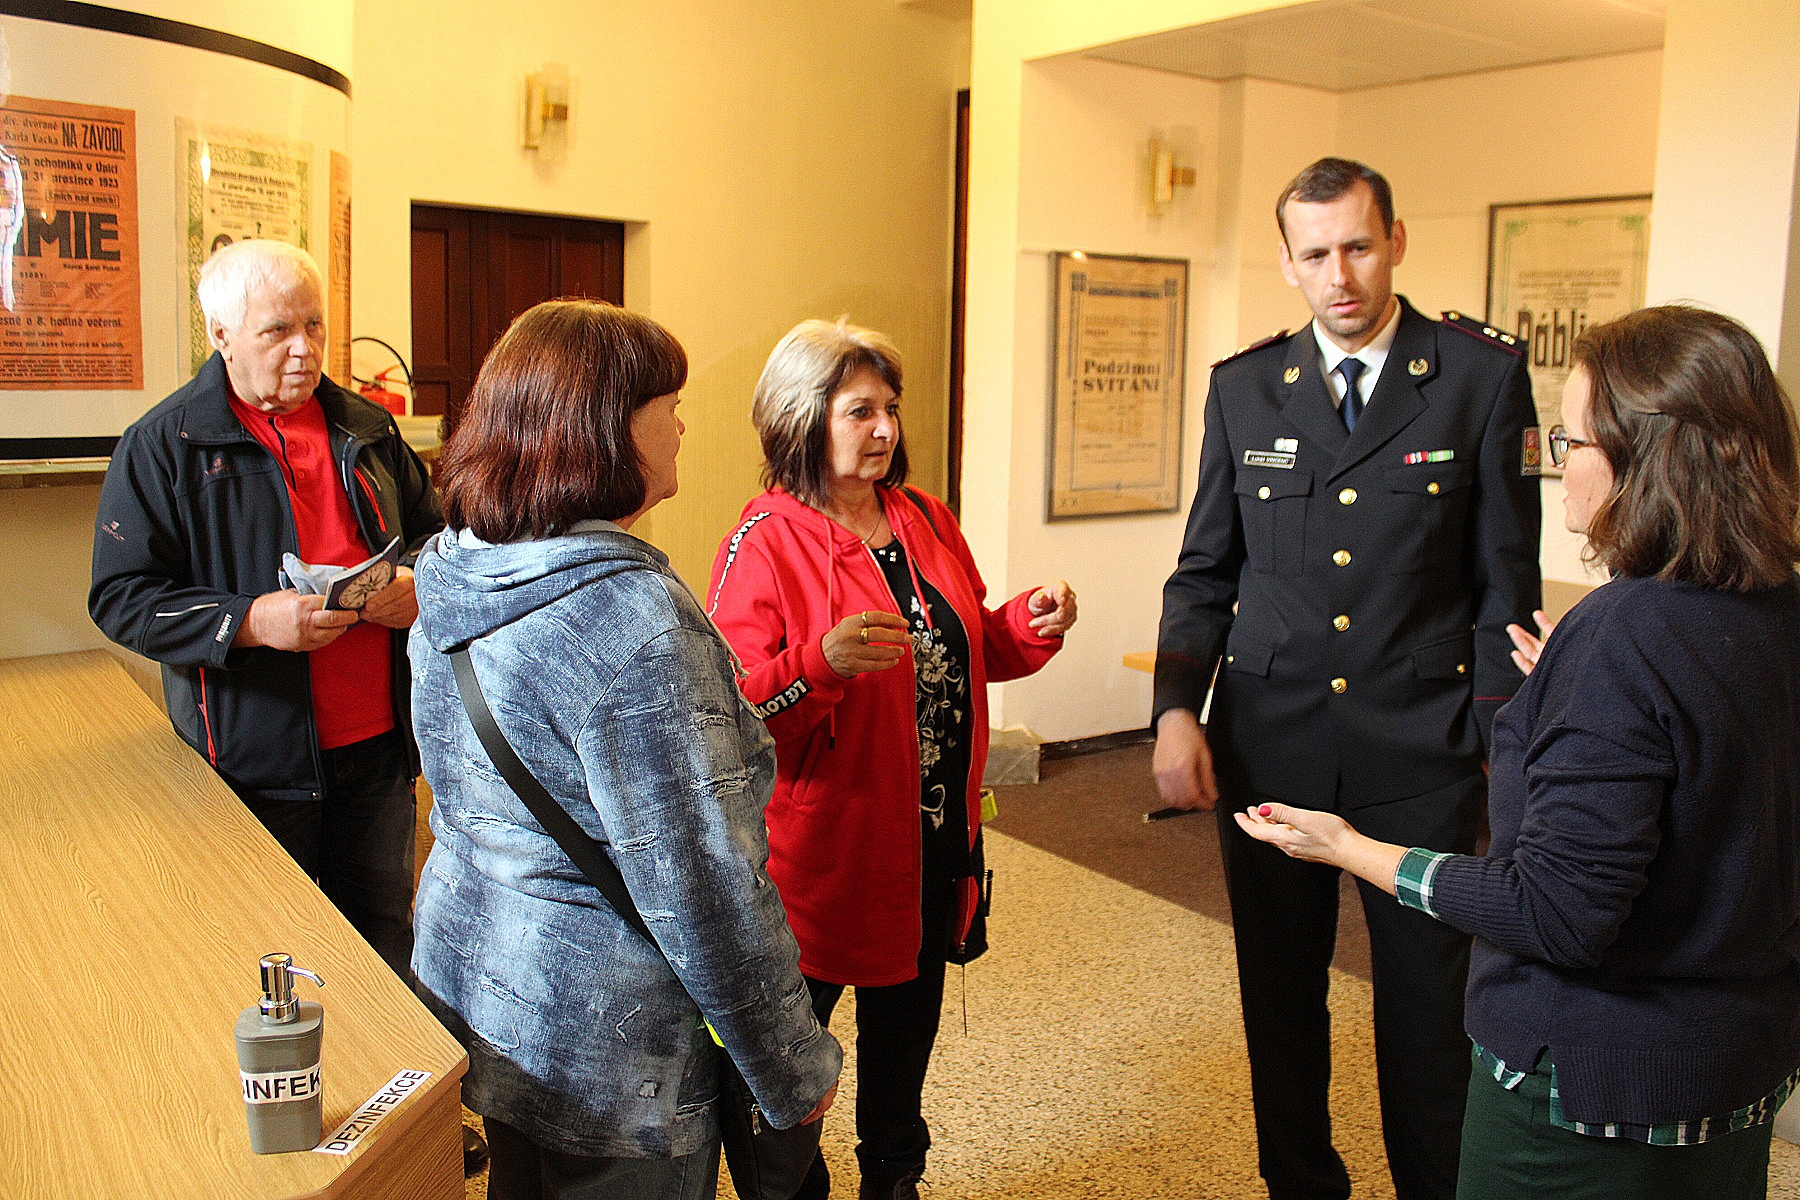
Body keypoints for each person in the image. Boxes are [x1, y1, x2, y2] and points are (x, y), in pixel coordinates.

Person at [1235, 304, 1800, 1200]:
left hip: (1592, 1092)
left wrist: (1349, 848)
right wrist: (1574, 693)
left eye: (1573, 443)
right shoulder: (1773, 604)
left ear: (1647, 460)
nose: (1558, 467)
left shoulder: (1621, 636)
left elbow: (1554, 913)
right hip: (1734, 1069)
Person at [1152, 158, 1542, 1200]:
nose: (1341, 276)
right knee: (1280, 999)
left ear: (1396, 241)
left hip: (1421, 749)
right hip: (1271, 741)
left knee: (1428, 1010)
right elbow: (1206, 569)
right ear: (1287, 262)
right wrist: (1176, 710)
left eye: (1359, 247)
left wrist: (1500, 747)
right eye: (1316, 254)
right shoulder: (1245, 388)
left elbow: (1505, 584)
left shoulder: (1477, 378)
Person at [408, 300, 840, 1200]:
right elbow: (703, 889)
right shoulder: (634, 622)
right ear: (605, 429)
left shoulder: (455, 570)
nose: (682, 424)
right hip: (616, 1051)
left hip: (493, 994)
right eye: (666, 405)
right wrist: (793, 1067)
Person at [707, 318, 1077, 1200]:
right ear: (801, 419)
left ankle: (894, 1177)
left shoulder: (924, 518)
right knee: (785, 1057)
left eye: (891, 409)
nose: (884, 430)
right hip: (824, 854)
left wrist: (1027, 622)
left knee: (906, 1035)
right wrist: (820, 666)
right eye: (859, 411)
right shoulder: (764, 540)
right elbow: (732, 712)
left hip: (934, 840)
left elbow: (968, 646)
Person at [89, 239, 439, 980]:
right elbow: (122, 597)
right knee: (265, 960)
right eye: (277, 330)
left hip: (379, 752)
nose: (304, 349)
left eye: (314, 325)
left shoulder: (368, 429)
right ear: (220, 335)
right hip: (251, 766)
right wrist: (250, 622)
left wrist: (416, 582)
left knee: (382, 948)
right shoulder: (163, 445)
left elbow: (438, 538)